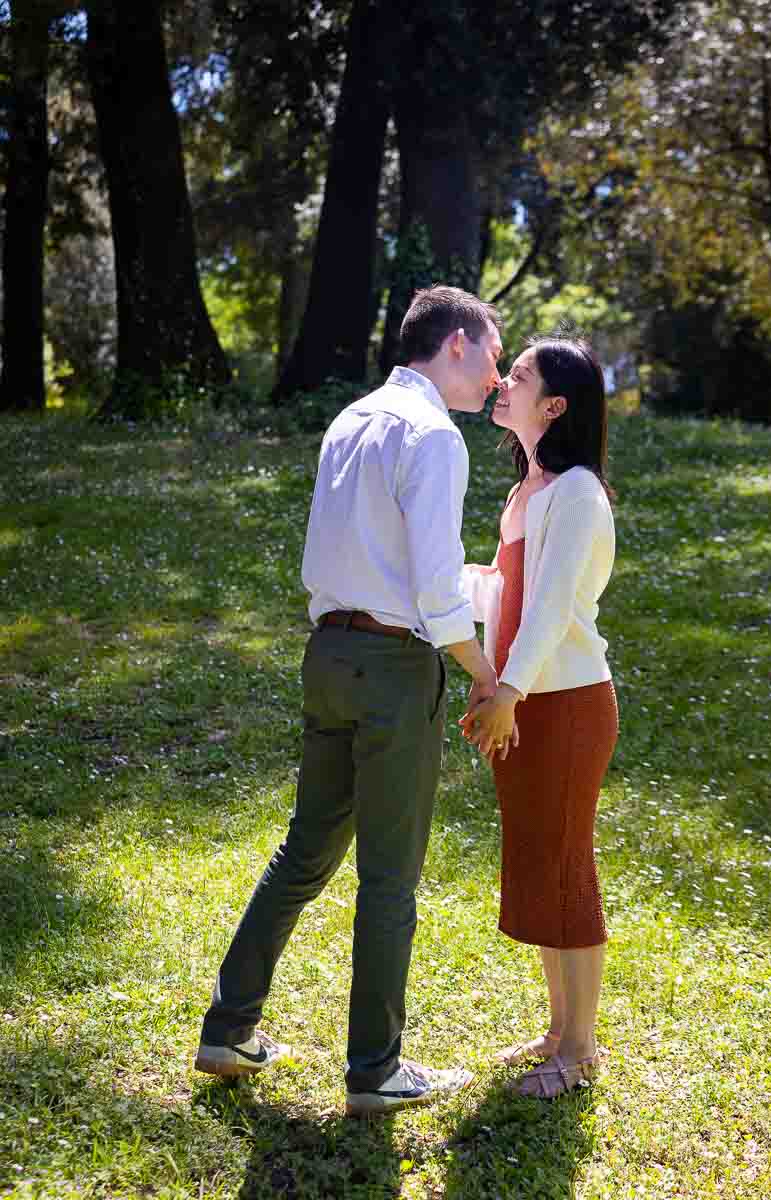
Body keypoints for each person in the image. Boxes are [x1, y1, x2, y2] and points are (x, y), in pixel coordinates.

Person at [195, 286, 508, 1116]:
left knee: (304, 851)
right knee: (389, 878)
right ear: (457, 343)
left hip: (326, 652)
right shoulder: (435, 435)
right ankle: (375, 1069)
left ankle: (227, 1028)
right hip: (394, 668)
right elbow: (438, 592)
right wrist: (484, 672)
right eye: (492, 354)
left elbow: (359, 551)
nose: (497, 374)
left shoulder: (351, 418)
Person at [460, 333, 618, 1099]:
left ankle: (581, 1052)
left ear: (553, 405)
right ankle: (558, 1030)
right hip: (525, 699)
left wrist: (510, 694)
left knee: (564, 870)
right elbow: (505, 590)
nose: (502, 381)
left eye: (517, 375)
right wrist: (484, 674)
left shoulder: (578, 492)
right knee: (537, 865)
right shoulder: (529, 489)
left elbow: (553, 607)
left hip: (564, 703)